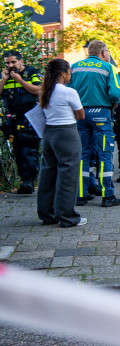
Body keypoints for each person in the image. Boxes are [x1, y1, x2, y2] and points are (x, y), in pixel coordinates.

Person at [70, 40, 120, 207]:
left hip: (81, 114)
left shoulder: (75, 67)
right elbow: (115, 92)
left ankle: (81, 195)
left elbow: (69, 89)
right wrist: (116, 102)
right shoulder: (108, 68)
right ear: (103, 53)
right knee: (105, 153)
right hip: (101, 114)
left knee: (83, 154)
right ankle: (108, 196)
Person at [35, 58, 86, 228]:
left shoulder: (45, 90)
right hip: (66, 133)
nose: (70, 75)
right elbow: (81, 115)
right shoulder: (68, 92)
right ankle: (67, 217)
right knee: (68, 174)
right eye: (69, 72)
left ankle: (47, 214)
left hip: (49, 134)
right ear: (63, 73)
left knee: (47, 173)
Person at [2, 49, 43, 193]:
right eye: (7, 63)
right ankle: (23, 180)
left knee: (29, 149)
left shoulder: (31, 73)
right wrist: (4, 80)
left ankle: (29, 181)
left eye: (13, 62)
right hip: (12, 117)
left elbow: (38, 90)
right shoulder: (5, 76)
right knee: (18, 150)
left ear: (21, 61)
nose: (11, 65)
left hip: (30, 116)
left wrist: (20, 80)